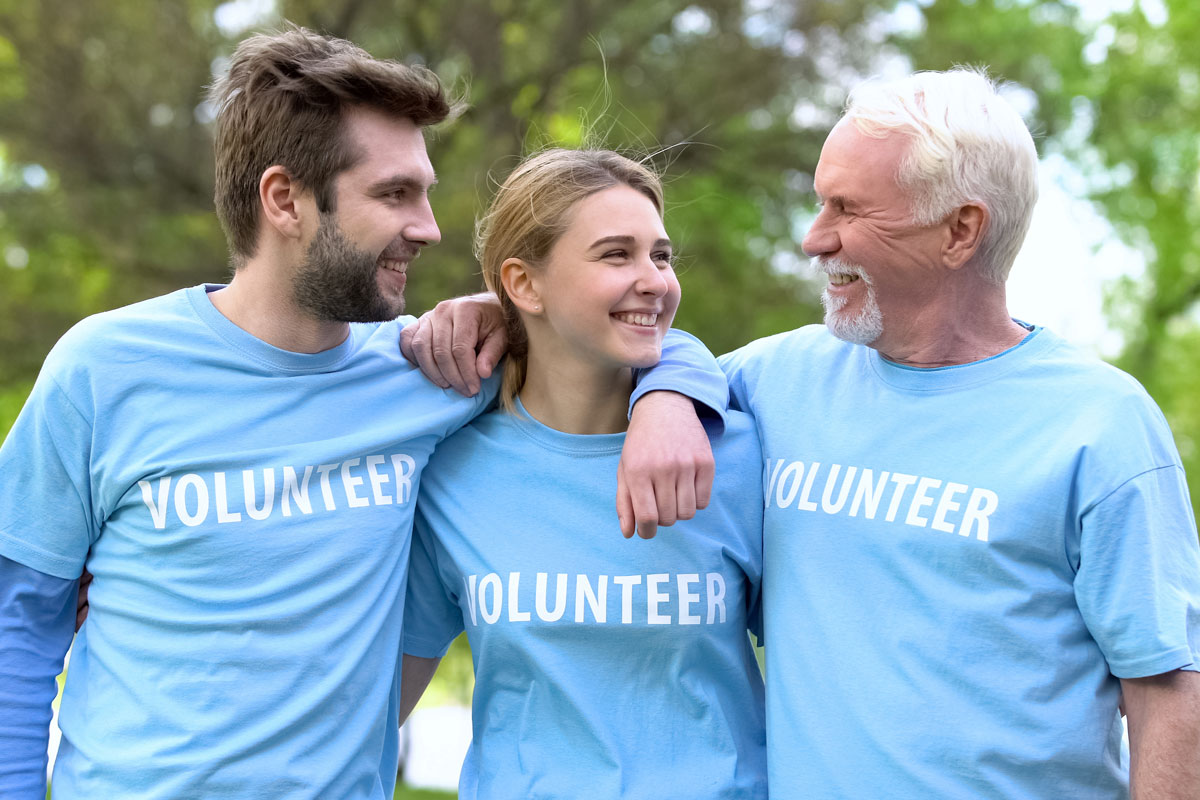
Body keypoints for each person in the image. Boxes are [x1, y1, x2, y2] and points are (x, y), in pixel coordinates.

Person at [403, 68, 1200, 798]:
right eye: (821, 202)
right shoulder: (774, 386)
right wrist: (538, 335)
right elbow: (655, 347)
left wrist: (659, 392)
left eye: (847, 210)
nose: (814, 237)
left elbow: (1167, 690)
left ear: (960, 231)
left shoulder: (1101, 423)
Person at [0, 27, 723, 800]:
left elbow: (612, 330)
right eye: (394, 194)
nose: (429, 227)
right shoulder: (105, 368)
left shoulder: (435, 372)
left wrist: (671, 397)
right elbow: (18, 623)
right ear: (285, 200)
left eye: (425, 191)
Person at [398, 148, 767, 799]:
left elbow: (828, 672)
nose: (654, 279)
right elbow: (381, 706)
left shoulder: (735, 455)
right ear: (523, 284)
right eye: (616, 255)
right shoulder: (453, 474)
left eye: (661, 255)